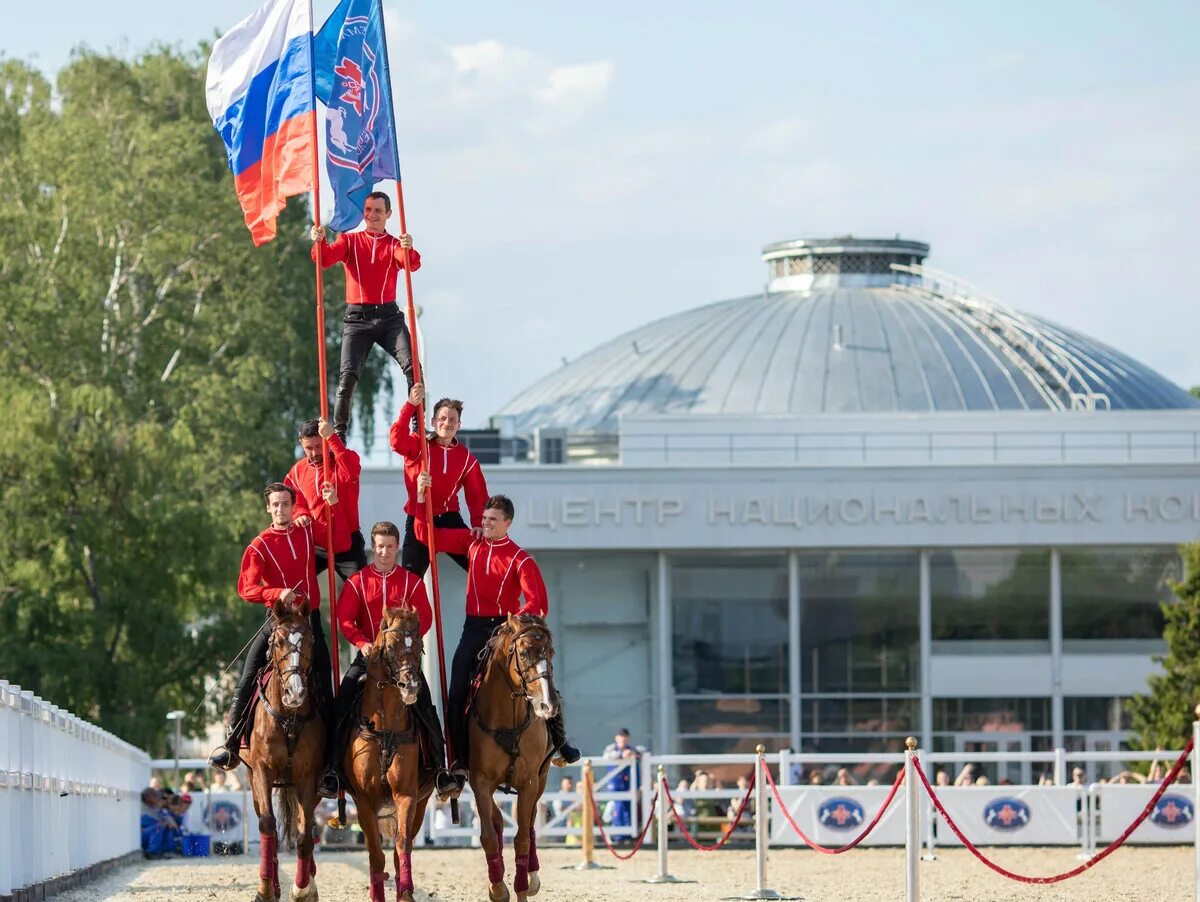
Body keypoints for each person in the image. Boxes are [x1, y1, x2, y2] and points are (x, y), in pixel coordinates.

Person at [414, 488, 580, 796]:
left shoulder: (520, 558)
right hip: (473, 629)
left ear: (507, 523)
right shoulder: (471, 542)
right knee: (456, 689)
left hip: (506, 628)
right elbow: (425, 533)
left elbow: (539, 603)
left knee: (541, 677)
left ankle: (560, 741)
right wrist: (423, 496)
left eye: (492, 519)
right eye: (484, 518)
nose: (486, 523)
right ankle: (459, 760)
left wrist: (514, 621)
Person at [208, 483, 338, 798]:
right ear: (268, 508)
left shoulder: (307, 532)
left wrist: (330, 503)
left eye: (285, 504)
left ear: (293, 506)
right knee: (248, 675)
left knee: (325, 681)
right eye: (275, 505)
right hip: (277, 622)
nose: (280, 509)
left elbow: (336, 535)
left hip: (310, 622)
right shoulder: (259, 545)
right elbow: (246, 588)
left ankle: (333, 762)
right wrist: (276, 592)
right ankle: (231, 744)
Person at [334, 520, 456, 798]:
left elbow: (424, 618)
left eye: (390, 547)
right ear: (372, 548)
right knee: (342, 701)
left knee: (426, 705)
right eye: (379, 547)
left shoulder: (412, 583)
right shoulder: (357, 583)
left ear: (397, 547)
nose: (385, 552)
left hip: (402, 662)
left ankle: (440, 769)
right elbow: (346, 620)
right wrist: (362, 643)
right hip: (370, 658)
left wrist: (405, 643)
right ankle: (332, 771)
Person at [310, 191, 422, 440]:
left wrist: (408, 247)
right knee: (347, 378)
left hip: (388, 317)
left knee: (413, 368)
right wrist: (319, 240)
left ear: (388, 214)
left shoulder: (393, 244)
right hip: (357, 318)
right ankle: (338, 435)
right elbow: (325, 258)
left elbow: (410, 263)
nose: (372, 215)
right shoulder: (349, 241)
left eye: (378, 211)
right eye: (369, 210)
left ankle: (418, 426)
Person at [389, 384, 488, 576]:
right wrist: (410, 405)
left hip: (450, 518)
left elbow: (477, 494)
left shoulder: (467, 458)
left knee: (482, 567)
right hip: (419, 516)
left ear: (459, 425)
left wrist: (478, 523)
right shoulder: (419, 445)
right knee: (409, 580)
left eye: (453, 419)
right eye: (442, 419)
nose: (447, 423)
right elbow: (395, 440)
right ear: (433, 422)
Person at [286, 416, 366, 580]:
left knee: (361, 592)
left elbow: (351, 471)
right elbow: (293, 499)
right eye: (309, 448)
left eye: (318, 446)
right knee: (295, 583)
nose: (314, 452)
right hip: (317, 544)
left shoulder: (344, 459)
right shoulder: (297, 470)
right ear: (301, 442)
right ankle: (311, 608)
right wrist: (300, 514)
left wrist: (332, 438)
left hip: (348, 543)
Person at [602, 728, 645, 828]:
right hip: (615, 785)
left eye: (625, 738)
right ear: (616, 738)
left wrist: (633, 754)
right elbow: (606, 755)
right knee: (617, 808)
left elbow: (643, 752)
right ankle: (618, 834)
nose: (623, 740)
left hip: (628, 785)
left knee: (628, 808)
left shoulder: (632, 749)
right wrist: (622, 755)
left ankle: (627, 834)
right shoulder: (611, 748)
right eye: (621, 737)